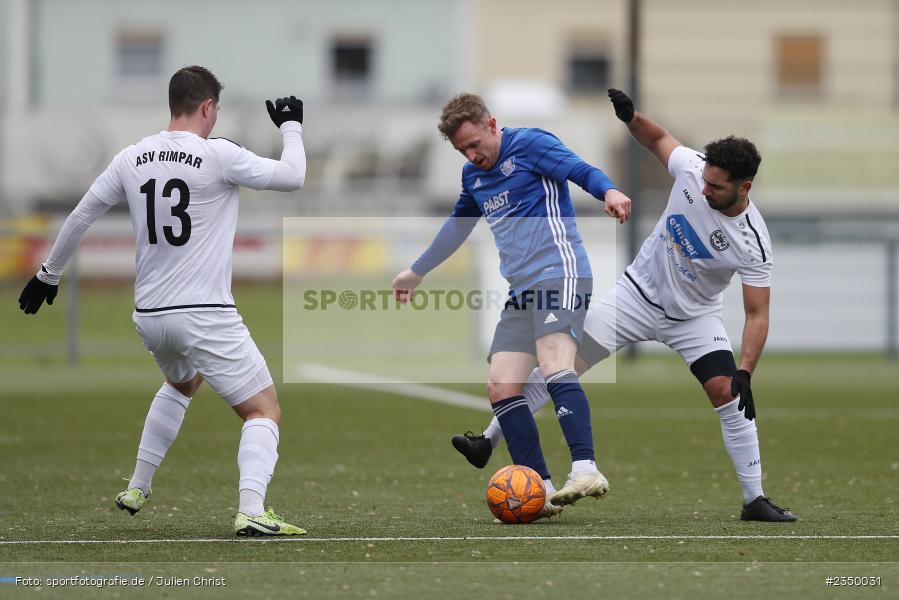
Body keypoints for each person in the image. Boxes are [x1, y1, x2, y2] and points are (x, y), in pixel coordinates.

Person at [452, 89, 796, 522]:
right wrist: (633, 118)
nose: (704, 188)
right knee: (561, 369)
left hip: (695, 317)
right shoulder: (692, 168)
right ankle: (488, 439)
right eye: (704, 180)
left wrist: (745, 370)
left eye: (716, 186)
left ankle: (755, 500)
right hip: (635, 297)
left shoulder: (754, 240)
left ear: (744, 187)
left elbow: (757, 314)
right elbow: (658, 139)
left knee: (728, 394)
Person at [17, 65, 309, 536]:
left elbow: (82, 213)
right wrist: (291, 126)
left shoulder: (132, 157)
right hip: (205, 313)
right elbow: (294, 176)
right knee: (263, 410)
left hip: (151, 316)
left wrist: (48, 275)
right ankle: (252, 511)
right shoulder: (219, 155)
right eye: (215, 111)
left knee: (182, 384)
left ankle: (137, 485)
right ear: (208, 107)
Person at [392, 93, 633, 518]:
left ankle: (585, 467)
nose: (471, 155)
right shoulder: (473, 176)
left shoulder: (530, 144)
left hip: (561, 273)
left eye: (474, 143)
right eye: (461, 150)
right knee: (502, 386)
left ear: (492, 125)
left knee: (555, 361)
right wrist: (418, 271)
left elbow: (580, 169)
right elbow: (457, 226)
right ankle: (539, 489)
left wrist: (609, 190)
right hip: (522, 291)